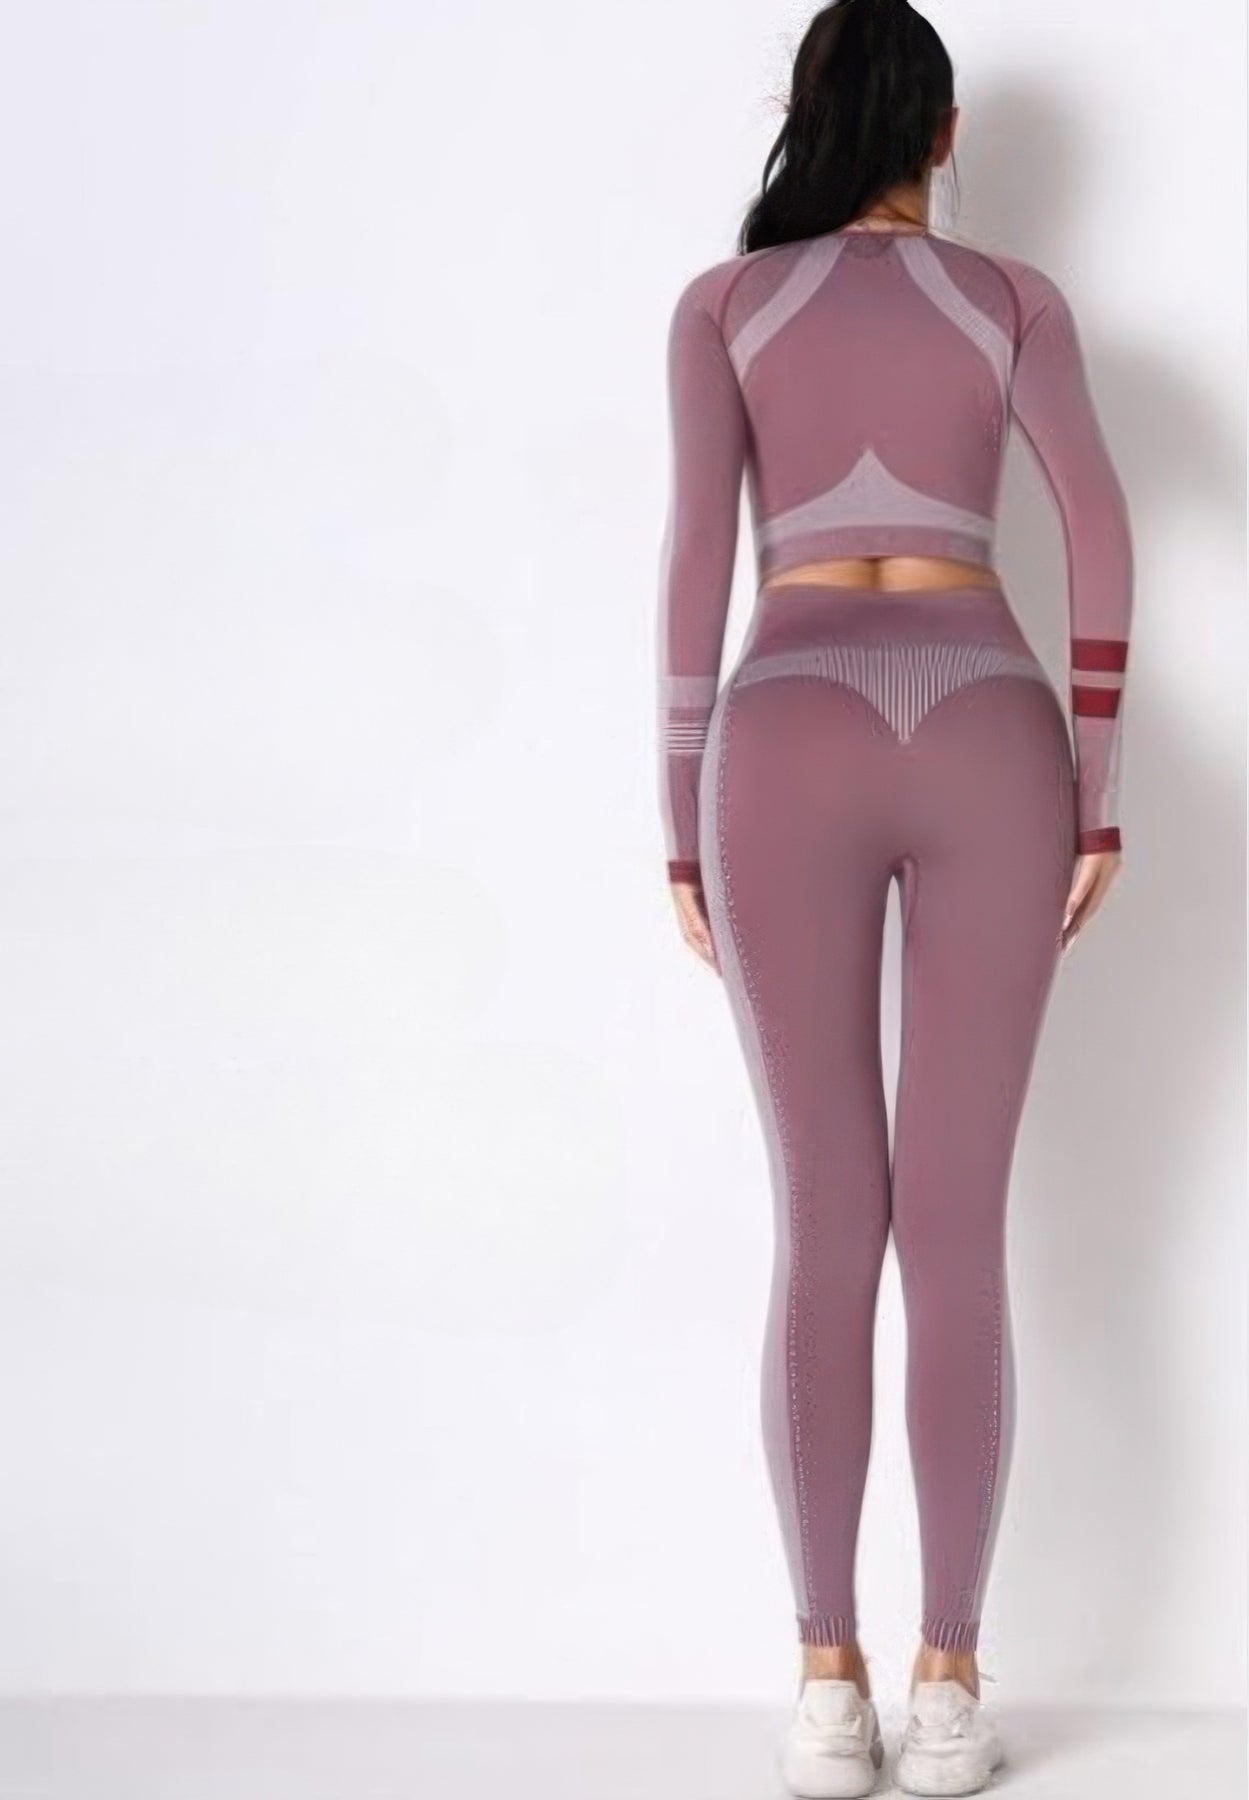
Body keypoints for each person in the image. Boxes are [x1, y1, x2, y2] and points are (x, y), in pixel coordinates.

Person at [654, 2, 1133, 1793]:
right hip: (989, 726)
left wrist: (678, 828)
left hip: (779, 732)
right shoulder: (1011, 300)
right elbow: (1099, 528)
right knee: (953, 1228)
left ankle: (824, 1683)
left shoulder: (723, 306)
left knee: (824, 1225)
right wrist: (1098, 788)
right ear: (942, 133)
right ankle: (948, 1681)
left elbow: (693, 565)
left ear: (806, 116)